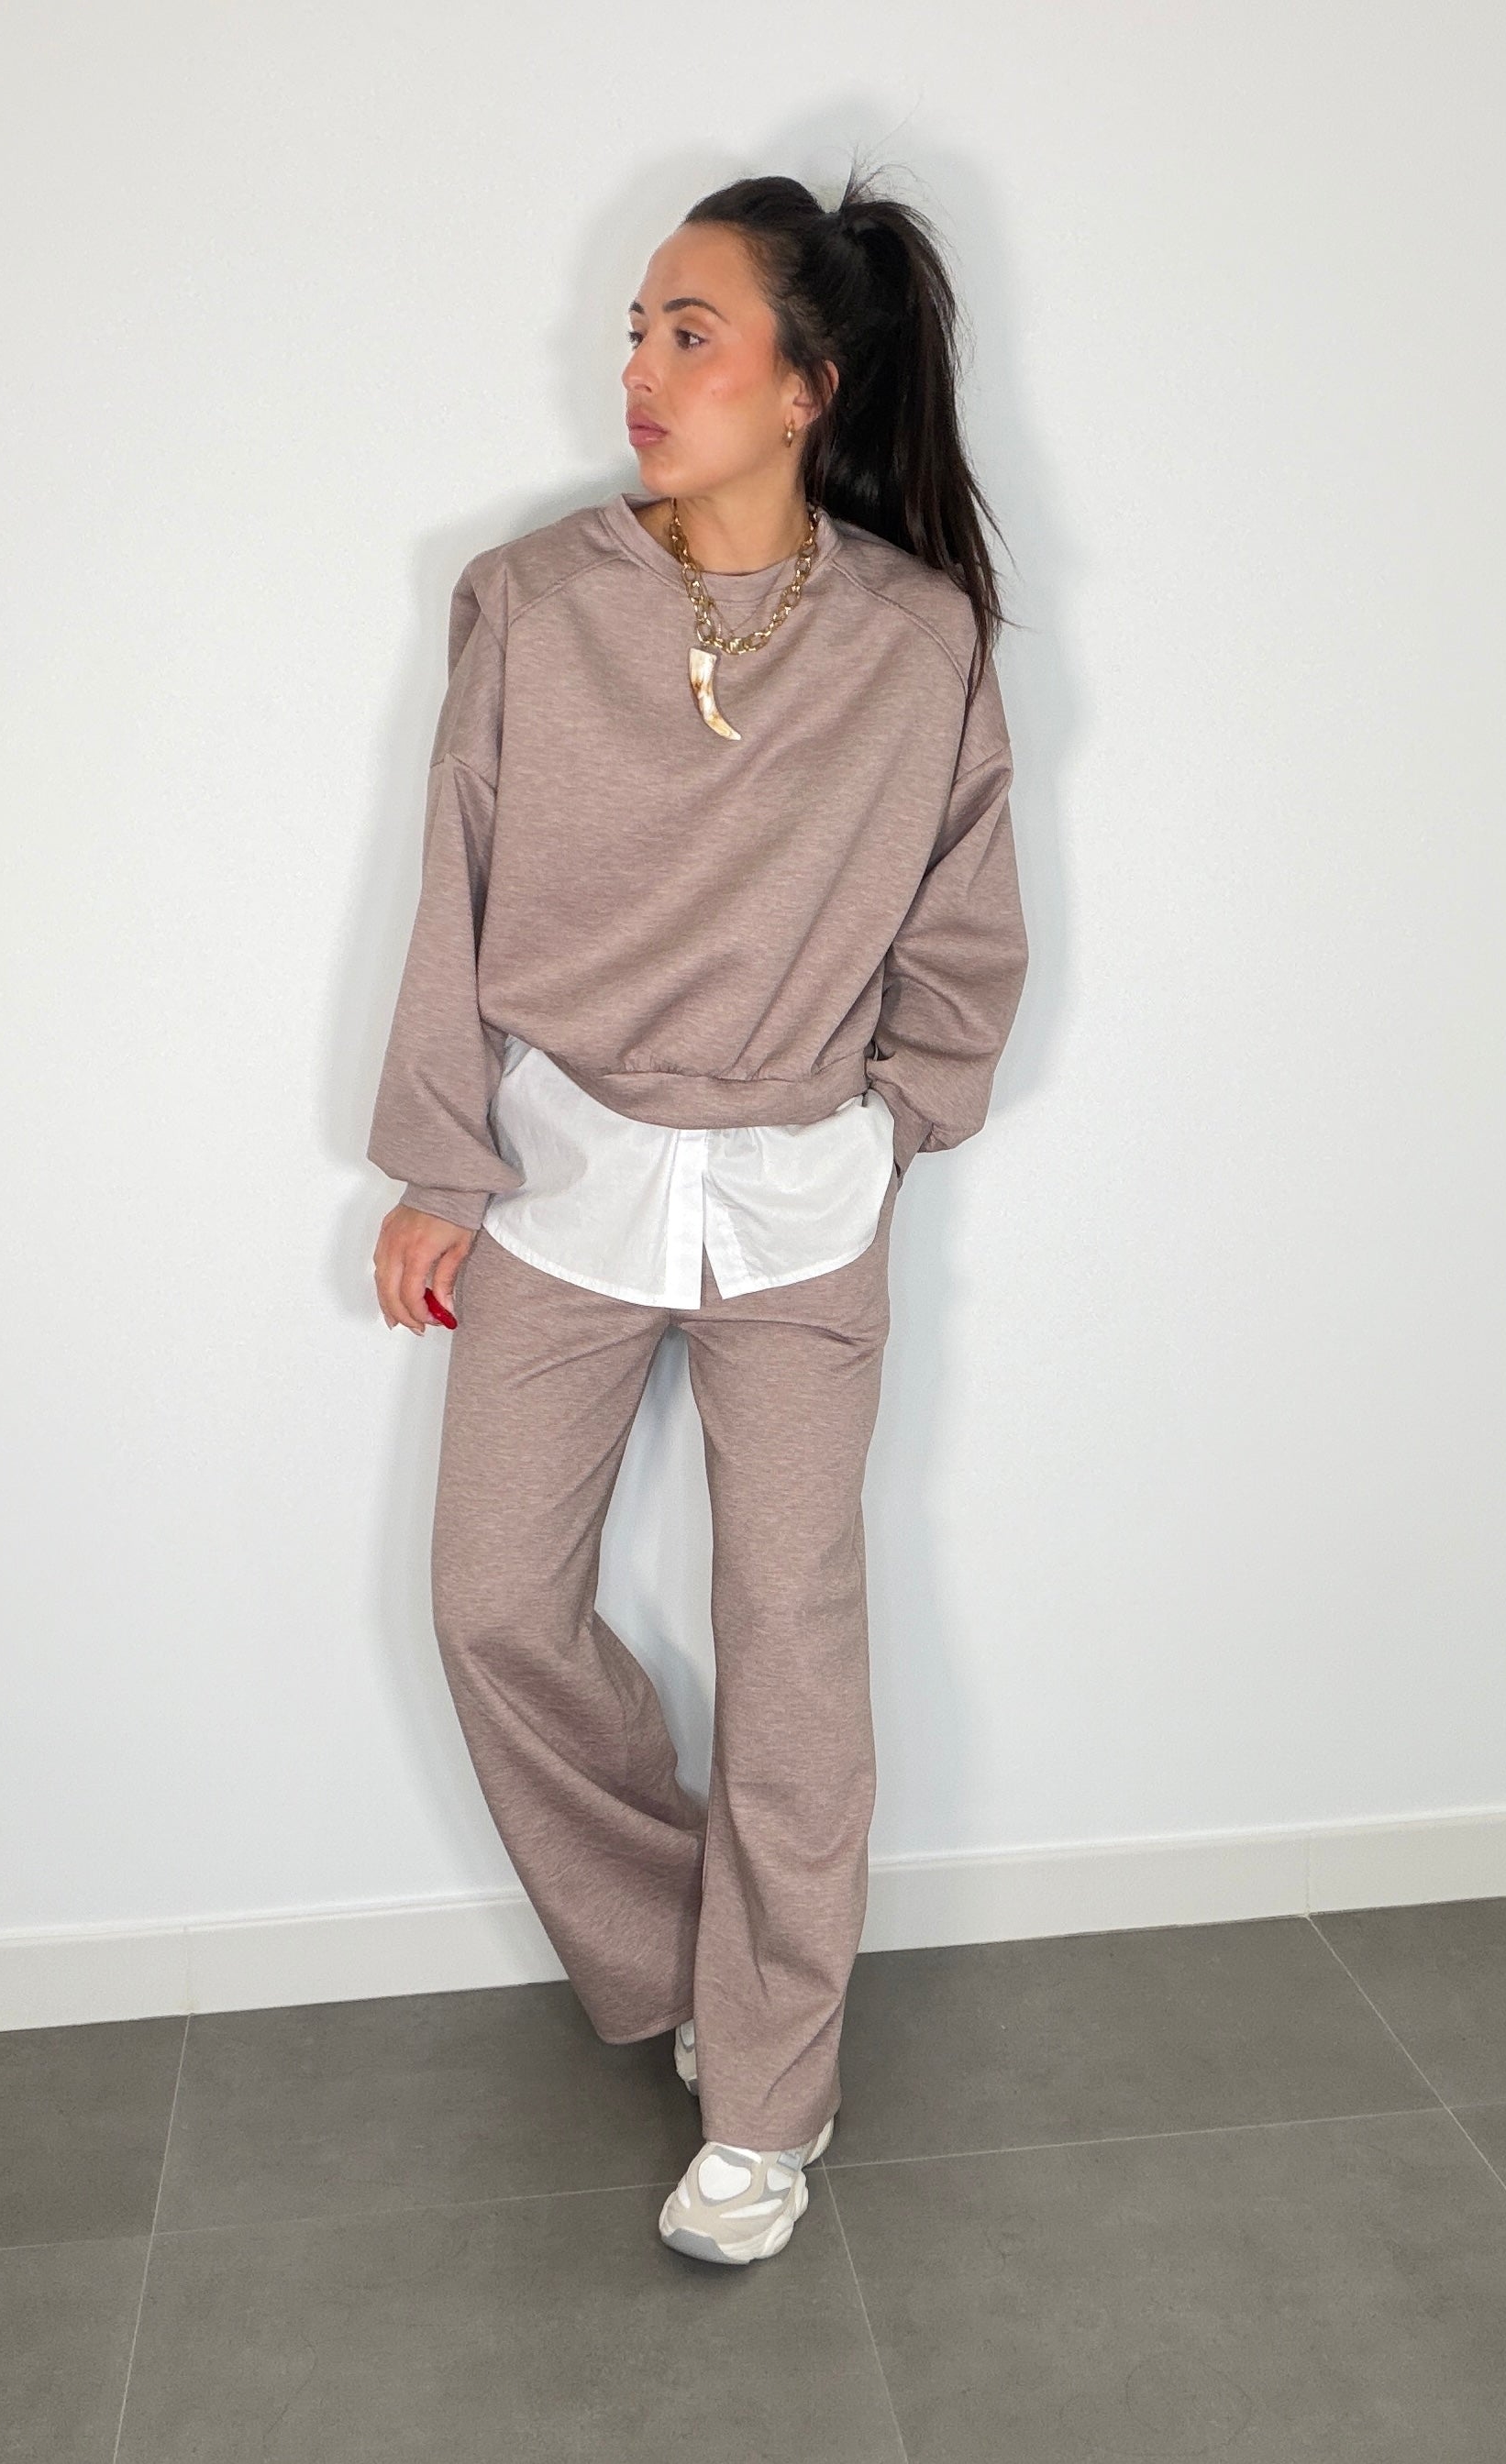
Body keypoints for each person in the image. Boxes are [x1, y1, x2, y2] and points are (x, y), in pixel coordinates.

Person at [367, 164, 1030, 2267]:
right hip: (562, 1180)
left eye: (688, 331)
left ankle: (766, 2094)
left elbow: (966, 927)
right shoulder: (526, 603)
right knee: (491, 1602)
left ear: (806, 386)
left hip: (801, 1205)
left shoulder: (918, 643)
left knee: (792, 1646)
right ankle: (682, 1957)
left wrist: (899, 1124)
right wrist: (436, 1164)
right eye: (634, 331)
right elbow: (454, 888)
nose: (638, 371)